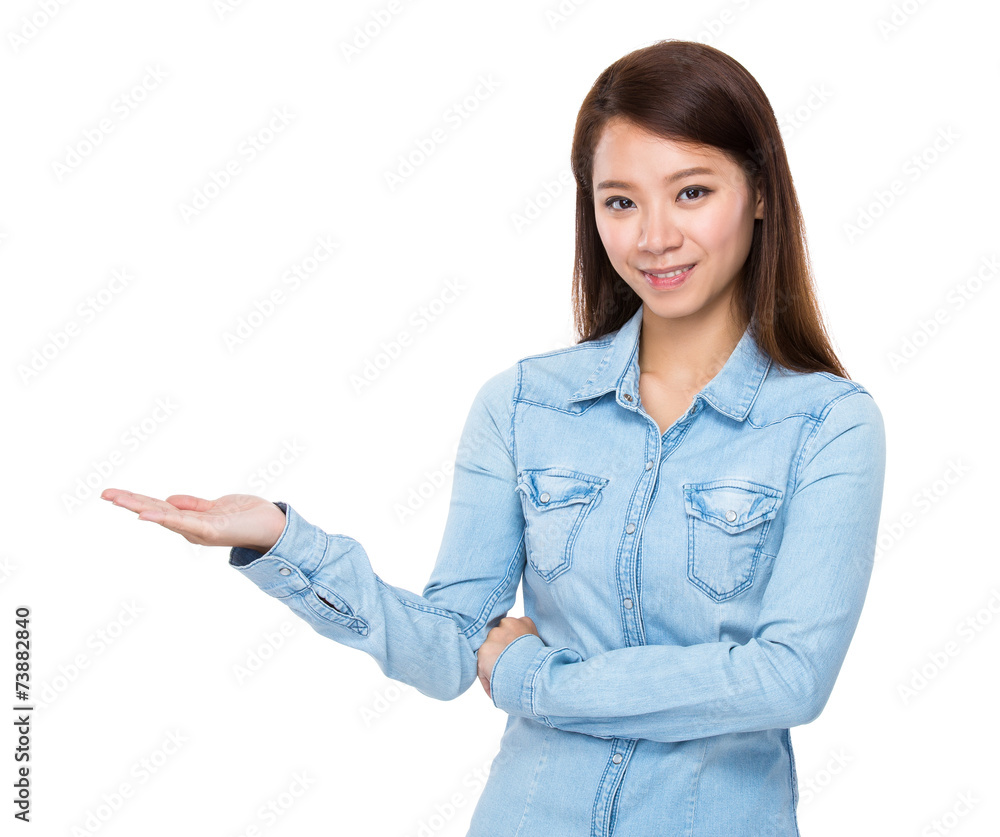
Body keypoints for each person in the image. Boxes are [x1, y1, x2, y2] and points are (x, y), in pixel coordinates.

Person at [102, 39, 886, 836]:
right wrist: (283, 541)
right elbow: (450, 647)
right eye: (620, 201)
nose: (653, 236)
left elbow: (787, 680)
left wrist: (536, 679)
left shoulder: (827, 424)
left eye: (690, 192)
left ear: (758, 191)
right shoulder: (522, 405)